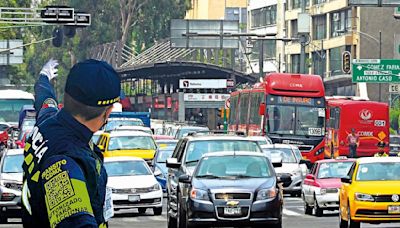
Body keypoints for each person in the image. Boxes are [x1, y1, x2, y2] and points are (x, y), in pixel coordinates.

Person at [21, 59, 121, 228]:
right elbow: (76, 223)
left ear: (67, 97)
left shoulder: (48, 122)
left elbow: (45, 98)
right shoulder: (64, 162)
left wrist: (44, 78)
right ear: (108, 111)